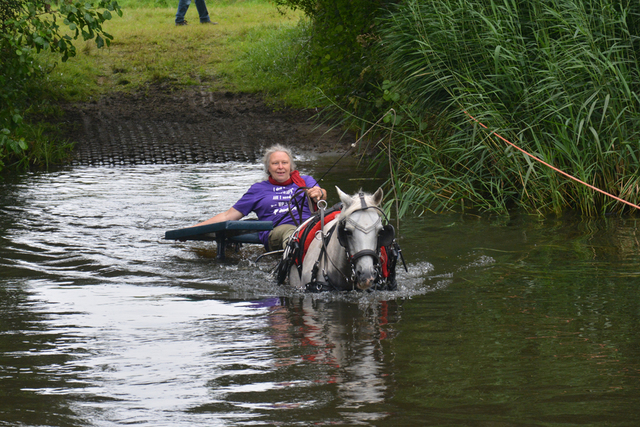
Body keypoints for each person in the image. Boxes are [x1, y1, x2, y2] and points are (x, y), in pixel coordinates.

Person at [193, 145, 327, 251]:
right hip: (277, 232)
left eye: (284, 163)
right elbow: (228, 216)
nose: (280, 167)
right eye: (275, 163)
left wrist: (318, 193)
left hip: (308, 227)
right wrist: (194, 229)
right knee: (291, 232)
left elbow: (322, 194)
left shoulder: (305, 181)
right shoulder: (258, 189)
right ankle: (297, 264)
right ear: (268, 168)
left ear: (290, 166)